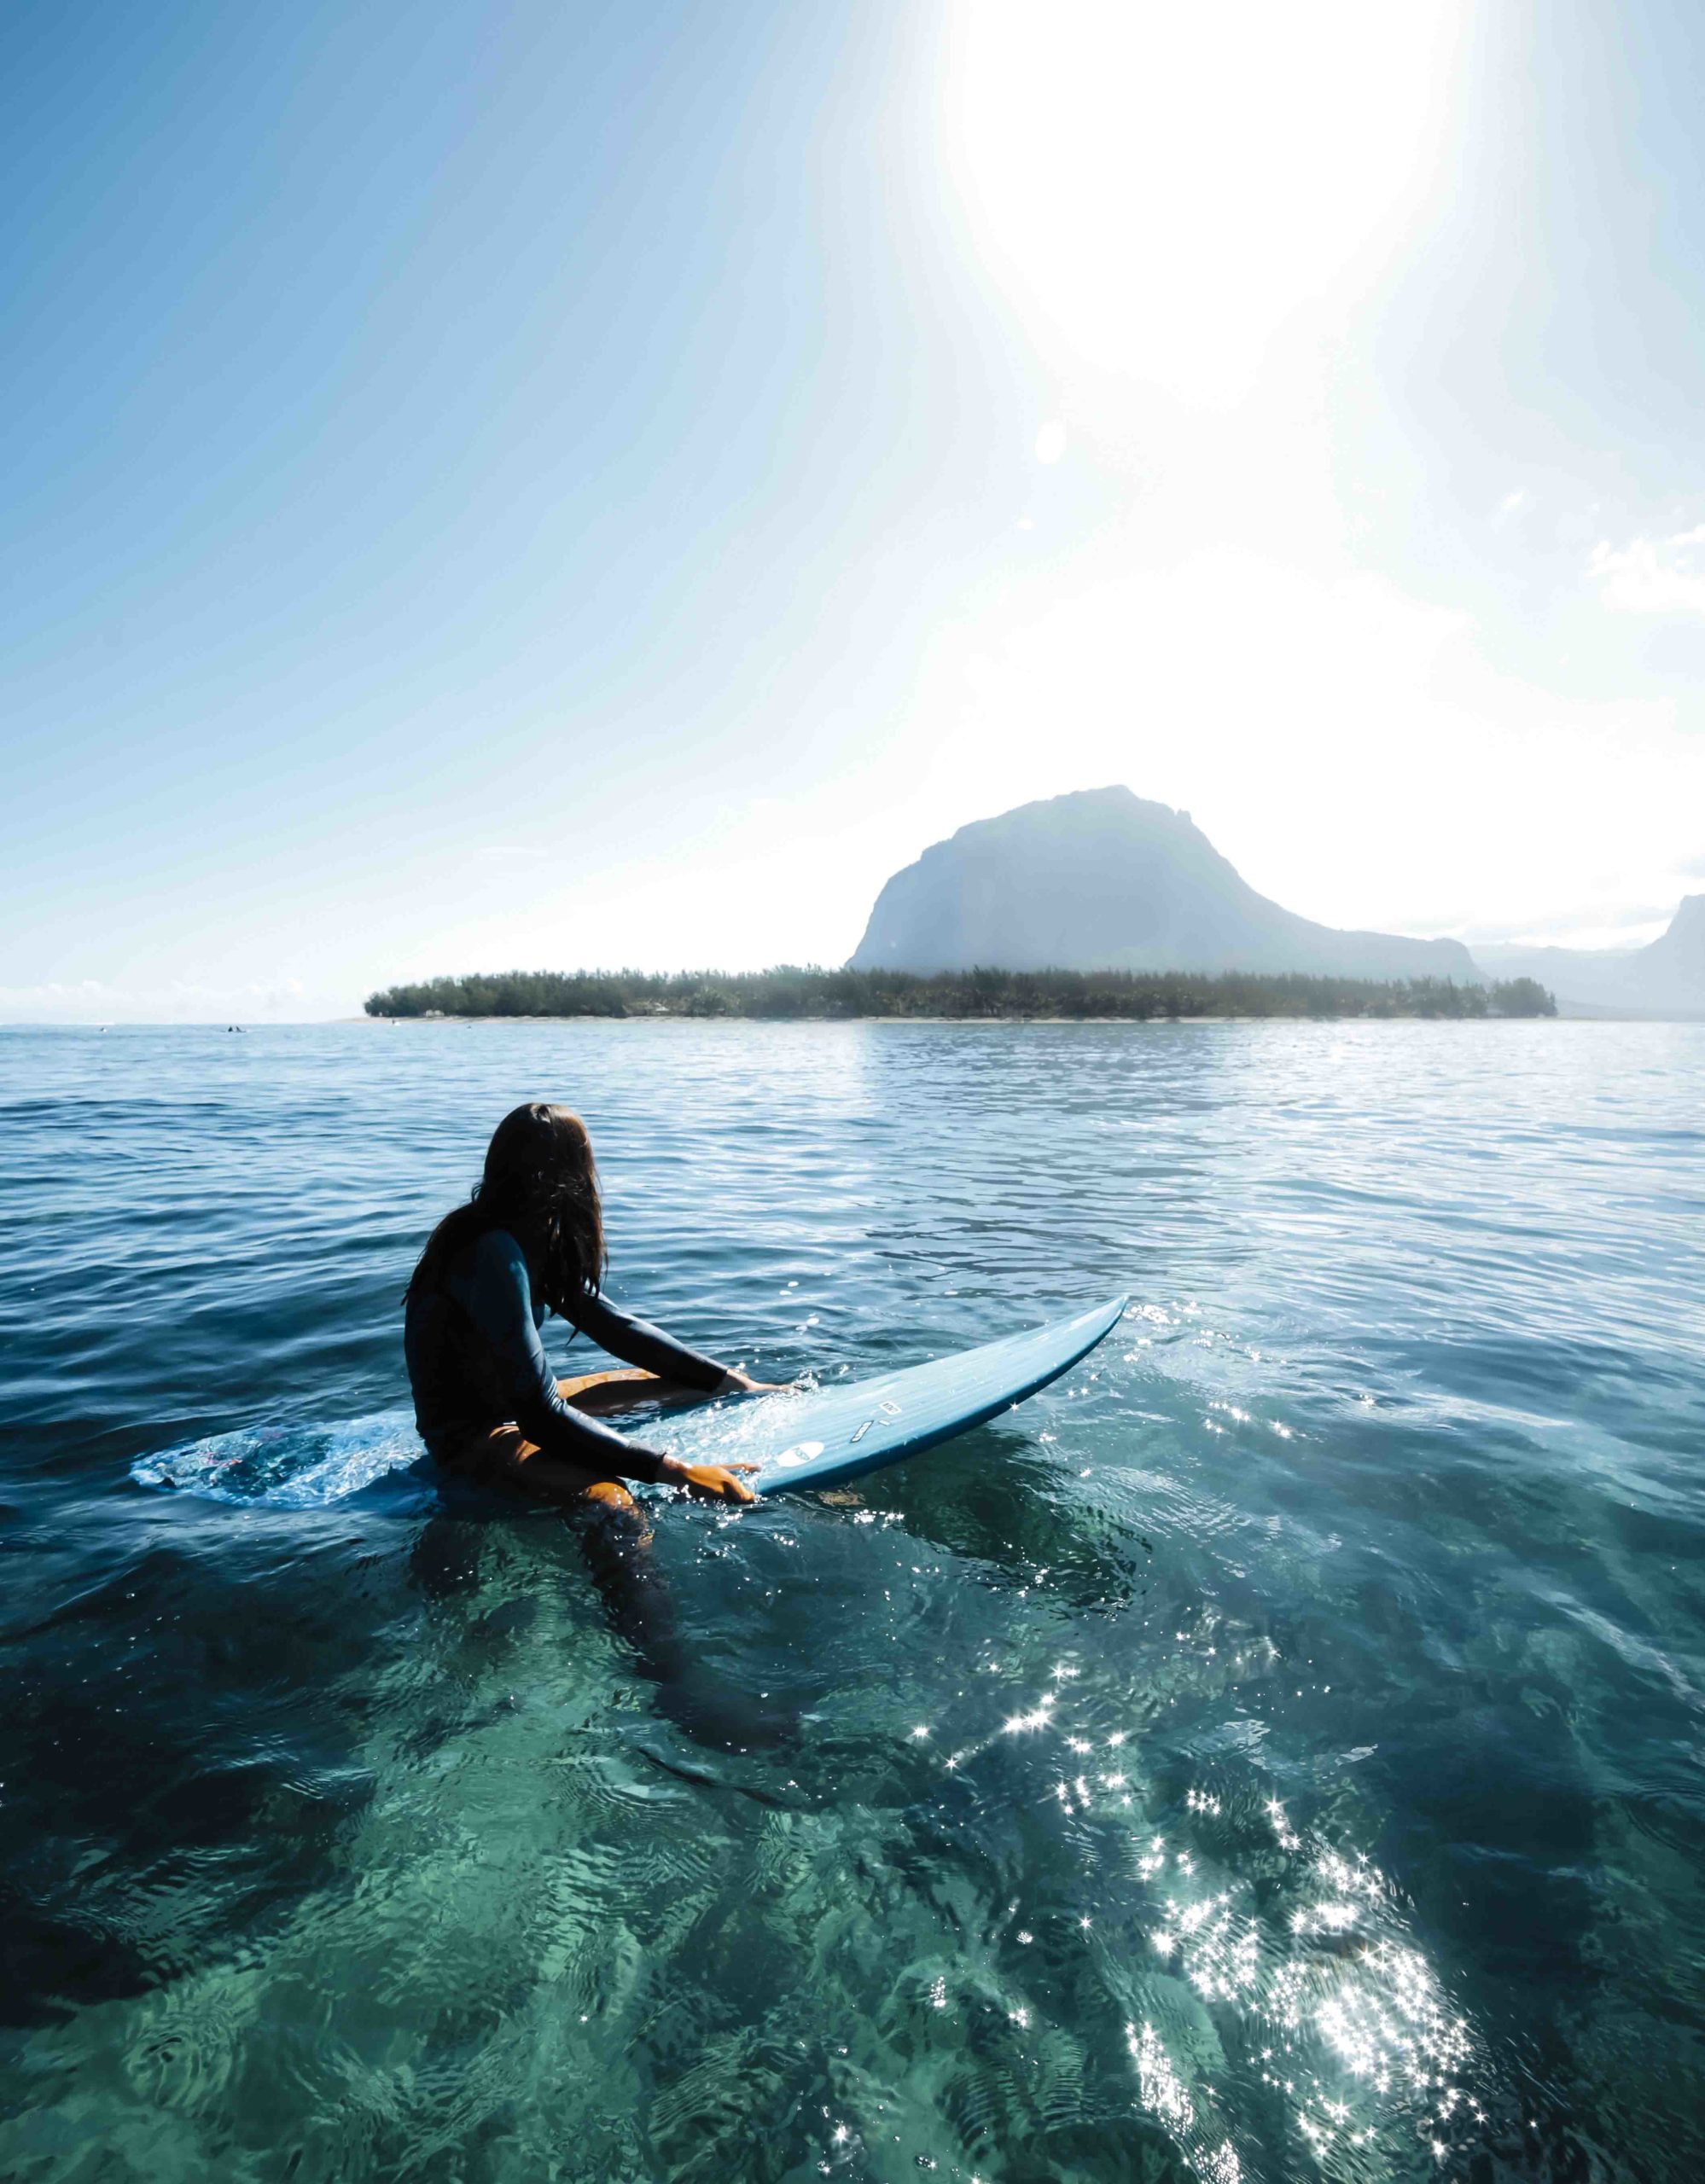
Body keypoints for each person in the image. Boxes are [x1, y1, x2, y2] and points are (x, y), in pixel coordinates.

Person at [404, 1102, 777, 1515]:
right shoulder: (492, 1251)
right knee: (614, 1499)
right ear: (571, 1173)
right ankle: (625, 1580)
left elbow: (617, 1328)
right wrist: (677, 1471)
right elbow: (538, 1415)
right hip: (472, 1437)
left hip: (513, 1406)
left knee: (680, 1383)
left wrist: (734, 1383)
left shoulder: (530, 1237)